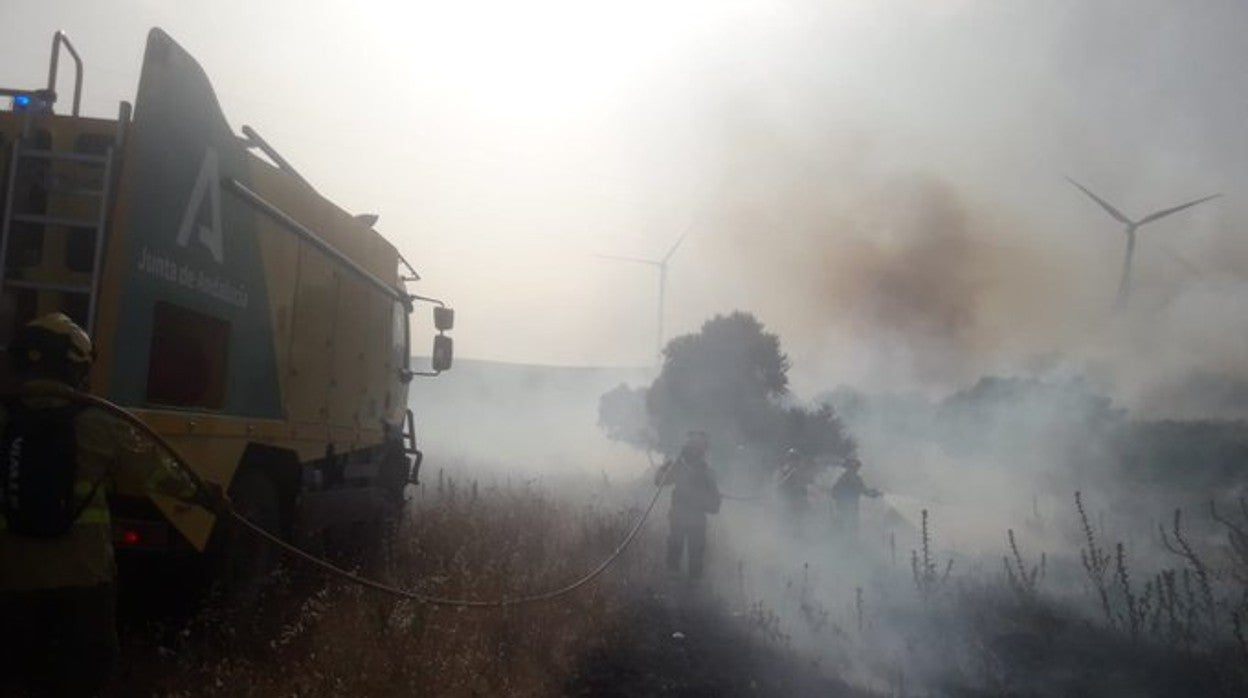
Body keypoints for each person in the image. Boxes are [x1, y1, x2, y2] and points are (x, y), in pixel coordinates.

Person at [0, 313, 227, 697]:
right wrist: (207, 497)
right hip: (84, 584)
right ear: (75, 369)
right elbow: (158, 473)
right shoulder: (101, 425)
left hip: (11, 584)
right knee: (85, 679)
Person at [654, 430, 721, 580]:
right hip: (678, 520)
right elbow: (659, 481)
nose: (694, 450)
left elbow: (715, 506)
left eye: (698, 447)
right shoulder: (678, 467)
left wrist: (699, 500)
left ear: (703, 451)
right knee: (673, 559)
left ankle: (692, 595)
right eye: (692, 446)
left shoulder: (708, 474)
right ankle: (672, 593)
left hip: (696, 524)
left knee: (695, 563)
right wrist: (664, 468)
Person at [830, 457, 881, 536]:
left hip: (849, 507)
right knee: (849, 527)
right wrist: (874, 493)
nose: (854, 468)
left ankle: (847, 543)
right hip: (847, 507)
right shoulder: (848, 478)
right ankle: (847, 544)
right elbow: (863, 490)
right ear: (848, 467)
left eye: (855, 466)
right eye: (852, 466)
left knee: (849, 526)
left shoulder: (851, 478)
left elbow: (863, 489)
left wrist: (874, 493)